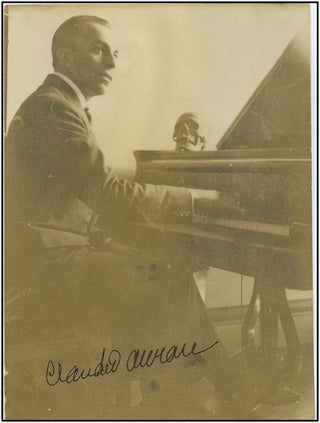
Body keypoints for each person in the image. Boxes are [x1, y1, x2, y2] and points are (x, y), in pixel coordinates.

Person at [5, 15, 241, 420]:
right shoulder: (53, 107)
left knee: (165, 270)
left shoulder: (57, 104)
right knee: (171, 276)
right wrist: (198, 199)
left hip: (49, 253)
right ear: (64, 55)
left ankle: (197, 397)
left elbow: (81, 197)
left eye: (115, 53)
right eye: (99, 50)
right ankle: (214, 400)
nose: (113, 64)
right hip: (45, 265)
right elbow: (108, 192)